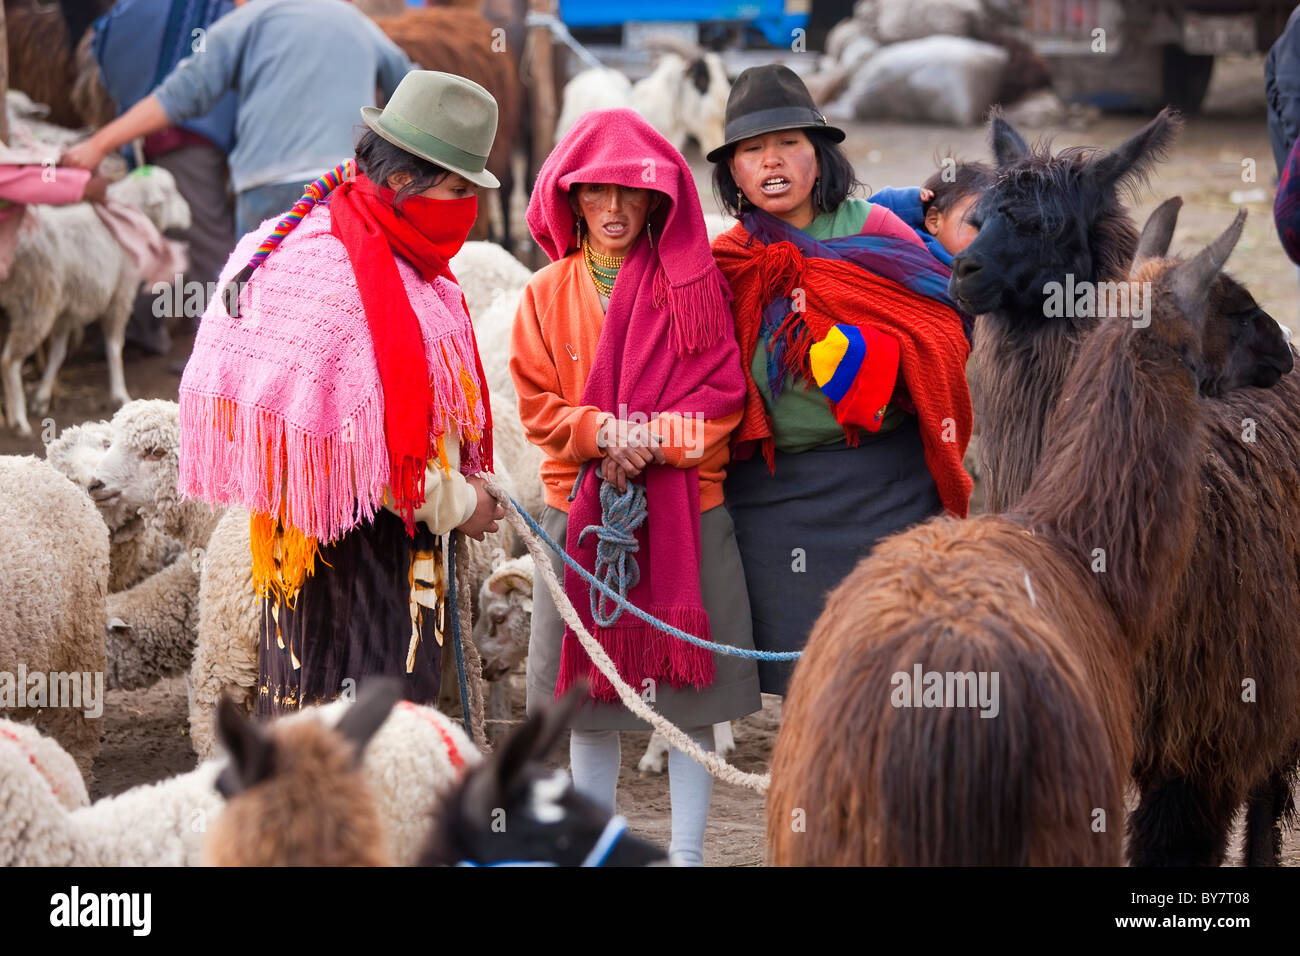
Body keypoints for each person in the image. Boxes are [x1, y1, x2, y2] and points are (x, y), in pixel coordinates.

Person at [178, 71, 504, 715]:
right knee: (378, 747)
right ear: (407, 181)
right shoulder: (362, 282)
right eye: (458, 189)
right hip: (376, 565)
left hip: (290, 551)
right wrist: (464, 504)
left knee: (299, 720)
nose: (466, 207)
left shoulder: (287, 242)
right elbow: (382, 456)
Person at [511, 107, 761, 866]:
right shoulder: (545, 294)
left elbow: (725, 402)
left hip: (687, 511)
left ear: (659, 199)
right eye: (596, 193)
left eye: (631, 192)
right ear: (570, 199)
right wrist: (601, 434)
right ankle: (597, 855)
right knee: (590, 703)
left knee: (688, 709)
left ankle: (685, 857)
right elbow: (537, 408)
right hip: (580, 520)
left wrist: (651, 441)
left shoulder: (694, 286)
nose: (614, 210)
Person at [708, 65, 973, 695]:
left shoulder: (873, 231)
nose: (772, 161)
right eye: (752, 150)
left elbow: (944, 331)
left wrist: (869, 362)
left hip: (885, 487)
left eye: (790, 144)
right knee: (808, 686)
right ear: (734, 173)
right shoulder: (728, 260)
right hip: (773, 497)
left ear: (819, 158)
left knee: (892, 668)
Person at [62, 0, 414, 239]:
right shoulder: (354, 20)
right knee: (344, 303)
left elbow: (177, 96)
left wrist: (98, 143)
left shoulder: (244, 21)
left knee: (260, 310)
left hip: (270, 191)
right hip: (350, 186)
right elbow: (412, 89)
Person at [88, 0, 240, 356]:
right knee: (204, 238)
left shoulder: (141, 8)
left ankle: (143, 329)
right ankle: (222, 347)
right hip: (188, 133)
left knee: (152, 229)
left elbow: (104, 43)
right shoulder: (215, 10)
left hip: (150, 131)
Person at [870, 159, 993, 265]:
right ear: (934, 221)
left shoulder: (986, 271)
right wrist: (910, 201)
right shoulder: (915, 243)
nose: (988, 239)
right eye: (978, 224)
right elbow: (869, 215)